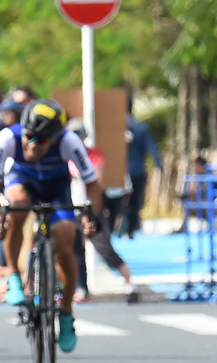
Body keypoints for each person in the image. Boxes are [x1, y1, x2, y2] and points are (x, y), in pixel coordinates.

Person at [0, 100, 103, 353]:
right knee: (16, 205)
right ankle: (15, 277)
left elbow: (92, 183)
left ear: (55, 137)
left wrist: (90, 215)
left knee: (64, 244)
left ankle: (67, 315)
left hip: (56, 188)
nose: (32, 145)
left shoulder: (69, 141)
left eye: (41, 141)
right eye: (28, 137)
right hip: (22, 182)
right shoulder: (7, 138)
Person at [66, 118, 140, 304]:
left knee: (104, 248)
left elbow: (96, 180)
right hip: (70, 207)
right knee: (74, 252)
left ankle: (130, 284)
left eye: (80, 135)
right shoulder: (64, 156)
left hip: (90, 208)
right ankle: (81, 289)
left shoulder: (93, 155)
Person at [123, 96, 162, 238]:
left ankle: (123, 227)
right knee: (135, 202)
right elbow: (152, 146)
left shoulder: (117, 127)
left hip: (123, 171)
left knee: (121, 201)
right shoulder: (141, 127)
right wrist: (158, 164)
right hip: (138, 170)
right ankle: (131, 228)